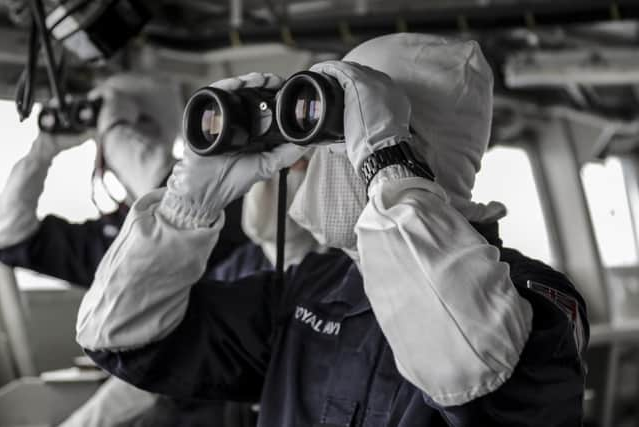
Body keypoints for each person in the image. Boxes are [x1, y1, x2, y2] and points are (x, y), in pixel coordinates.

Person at [76, 34, 588, 426]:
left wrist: (384, 160)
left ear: (408, 150)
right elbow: (121, 339)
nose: (316, 166)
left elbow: (470, 369)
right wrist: (187, 204)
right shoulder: (312, 289)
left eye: (338, 140)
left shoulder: (535, 300)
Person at [0, 73, 261, 427]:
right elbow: (9, 236)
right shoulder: (119, 234)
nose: (123, 146)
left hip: (211, 404)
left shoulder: (218, 208)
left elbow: (172, 196)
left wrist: (114, 130)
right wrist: (44, 148)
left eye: (137, 132)